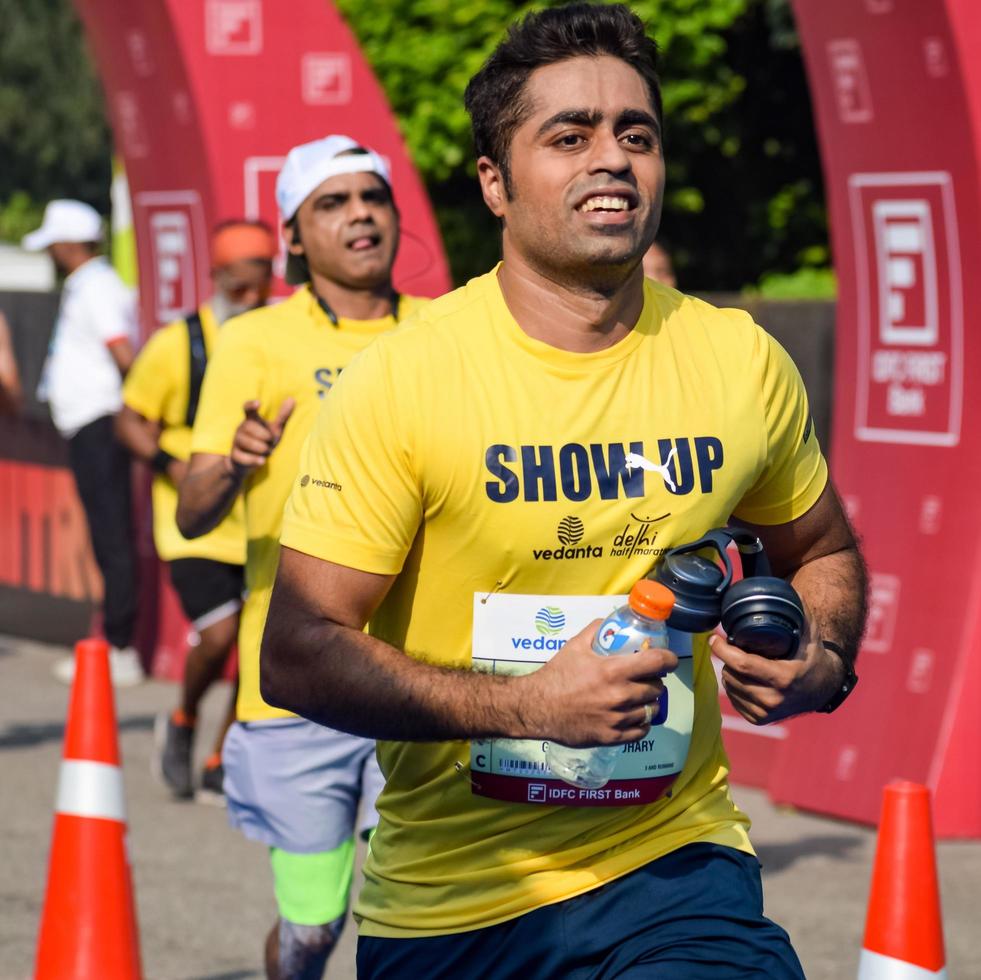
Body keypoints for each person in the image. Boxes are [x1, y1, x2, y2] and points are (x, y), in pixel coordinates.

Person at [260, 6, 867, 978]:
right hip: (454, 902)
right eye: (569, 135)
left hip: (675, 869)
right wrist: (527, 703)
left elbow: (822, 548)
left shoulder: (736, 360)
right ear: (494, 182)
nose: (614, 158)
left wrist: (822, 657)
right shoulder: (404, 380)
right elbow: (296, 653)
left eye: (637, 133)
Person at [175, 136, 430, 979]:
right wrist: (236, 458)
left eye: (373, 196)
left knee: (422, 919)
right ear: (292, 237)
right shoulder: (252, 340)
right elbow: (193, 502)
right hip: (299, 682)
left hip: (427, 680)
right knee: (316, 925)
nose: (360, 213)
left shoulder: (447, 332)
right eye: (333, 201)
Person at [116, 220, 277, 801]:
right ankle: (183, 719)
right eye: (240, 288)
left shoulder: (276, 337)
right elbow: (129, 418)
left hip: (260, 521)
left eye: (261, 286)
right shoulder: (178, 343)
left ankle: (219, 757)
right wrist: (173, 465)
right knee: (220, 634)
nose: (252, 299)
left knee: (259, 649)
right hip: (195, 524)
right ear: (217, 278)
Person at [23, 199, 143, 687]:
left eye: (54, 242)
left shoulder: (97, 288)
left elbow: (125, 356)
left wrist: (138, 412)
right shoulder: (90, 285)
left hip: (101, 422)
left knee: (112, 536)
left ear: (71, 243)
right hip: (91, 422)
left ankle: (119, 648)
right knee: (106, 535)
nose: (51, 251)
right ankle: (113, 642)